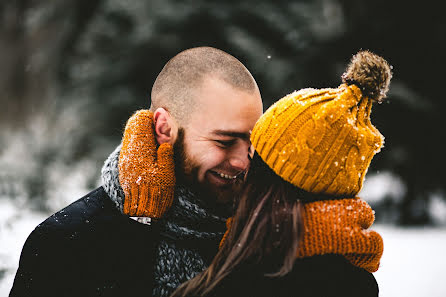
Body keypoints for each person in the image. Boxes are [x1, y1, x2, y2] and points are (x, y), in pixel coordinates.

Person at [9, 46, 263, 297]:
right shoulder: (67, 243)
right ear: (164, 129)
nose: (243, 162)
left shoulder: (261, 237)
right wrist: (141, 226)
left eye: (253, 144)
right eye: (225, 142)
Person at [170, 50, 392, 297]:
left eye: (254, 158)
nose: (243, 167)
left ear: (266, 180)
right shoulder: (356, 282)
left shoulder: (239, 282)